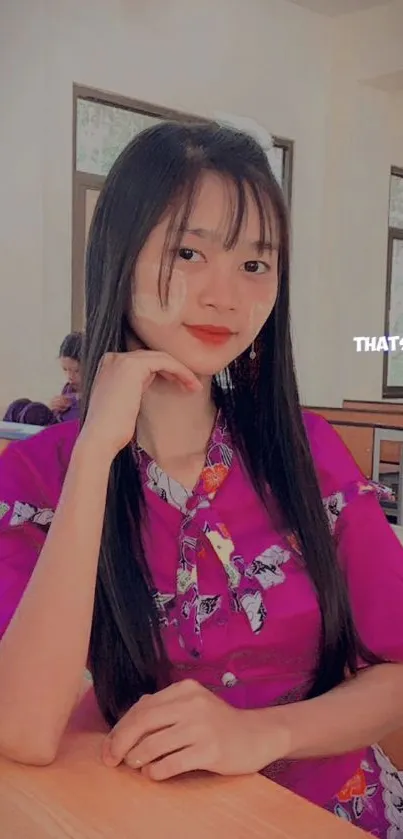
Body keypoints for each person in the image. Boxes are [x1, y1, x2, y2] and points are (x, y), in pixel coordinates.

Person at [0, 122, 403, 837]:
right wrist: (96, 452)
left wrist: (265, 733)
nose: (225, 296)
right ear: (117, 259)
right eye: (189, 252)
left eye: (254, 265)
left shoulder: (307, 454)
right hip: (141, 818)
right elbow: (23, 729)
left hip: (329, 812)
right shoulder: (36, 475)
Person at [49, 332, 83, 423]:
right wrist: (56, 407)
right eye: (65, 369)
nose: (70, 376)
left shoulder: (97, 391)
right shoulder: (68, 389)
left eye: (77, 371)